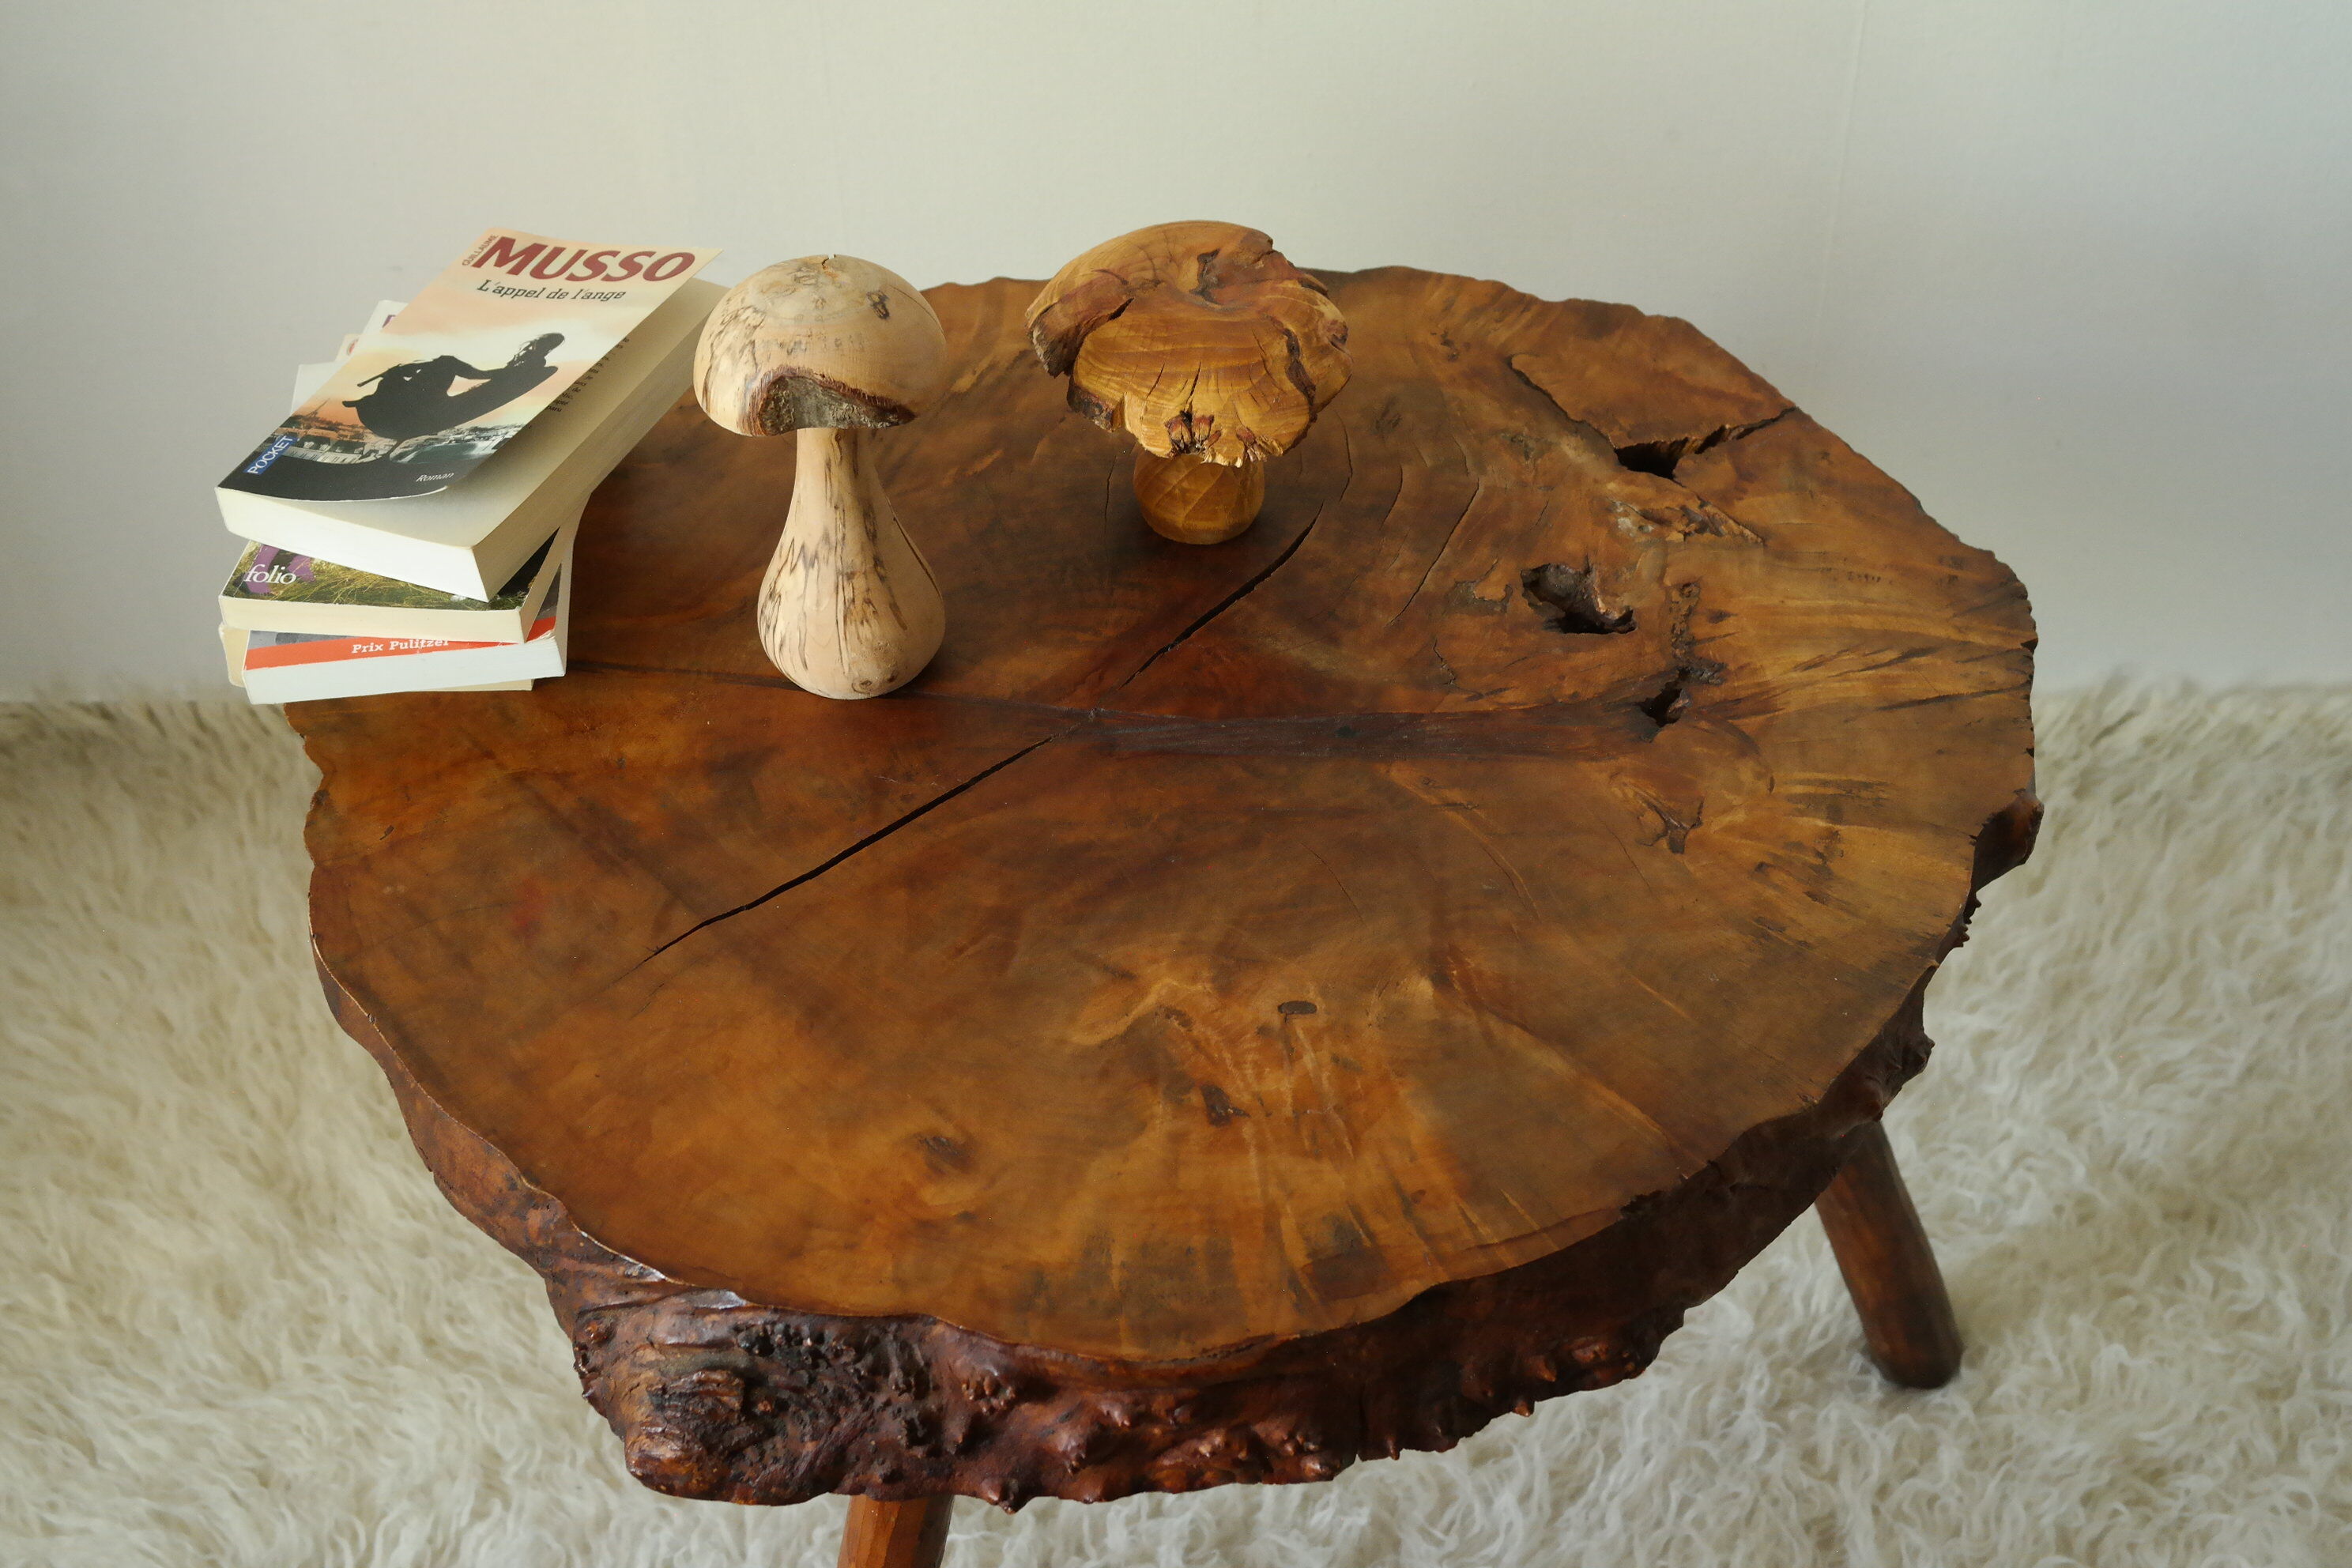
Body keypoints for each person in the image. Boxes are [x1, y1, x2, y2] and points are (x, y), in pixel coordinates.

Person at [343, 334, 565, 444]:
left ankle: (399, 381)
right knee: (440, 364)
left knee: (446, 362)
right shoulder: (530, 363)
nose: (532, 345)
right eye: (537, 342)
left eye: (540, 343)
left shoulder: (535, 365)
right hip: (421, 413)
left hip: (428, 414)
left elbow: (505, 381)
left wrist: (491, 375)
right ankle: (395, 384)